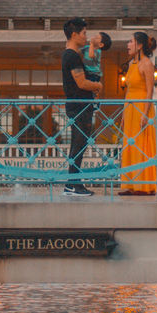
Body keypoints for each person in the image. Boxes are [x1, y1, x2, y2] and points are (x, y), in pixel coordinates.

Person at [61, 17, 102, 198]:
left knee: (79, 145)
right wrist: (98, 86)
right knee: (78, 145)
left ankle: (73, 184)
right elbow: (81, 82)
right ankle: (73, 185)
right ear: (75, 34)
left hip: (78, 105)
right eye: (84, 33)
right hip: (79, 105)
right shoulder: (72, 56)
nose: (86, 37)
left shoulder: (71, 54)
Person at [119, 31, 157, 196]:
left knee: (142, 145)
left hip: (142, 107)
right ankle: (130, 184)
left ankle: (144, 185)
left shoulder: (147, 64)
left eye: (131, 41)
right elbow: (128, 91)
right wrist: (123, 114)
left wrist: (145, 113)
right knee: (130, 145)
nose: (128, 45)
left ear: (140, 45)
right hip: (130, 108)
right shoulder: (131, 64)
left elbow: (150, 91)